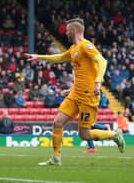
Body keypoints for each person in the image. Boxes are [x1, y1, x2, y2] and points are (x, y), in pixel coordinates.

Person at [24, 18, 125, 166]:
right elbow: (59, 58)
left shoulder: (86, 46)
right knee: (57, 122)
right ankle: (56, 158)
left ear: (74, 31)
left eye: (67, 30)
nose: (65, 32)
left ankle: (114, 135)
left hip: (88, 96)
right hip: (75, 94)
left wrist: (98, 82)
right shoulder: (73, 49)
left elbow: (102, 61)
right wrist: (39, 57)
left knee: (84, 134)